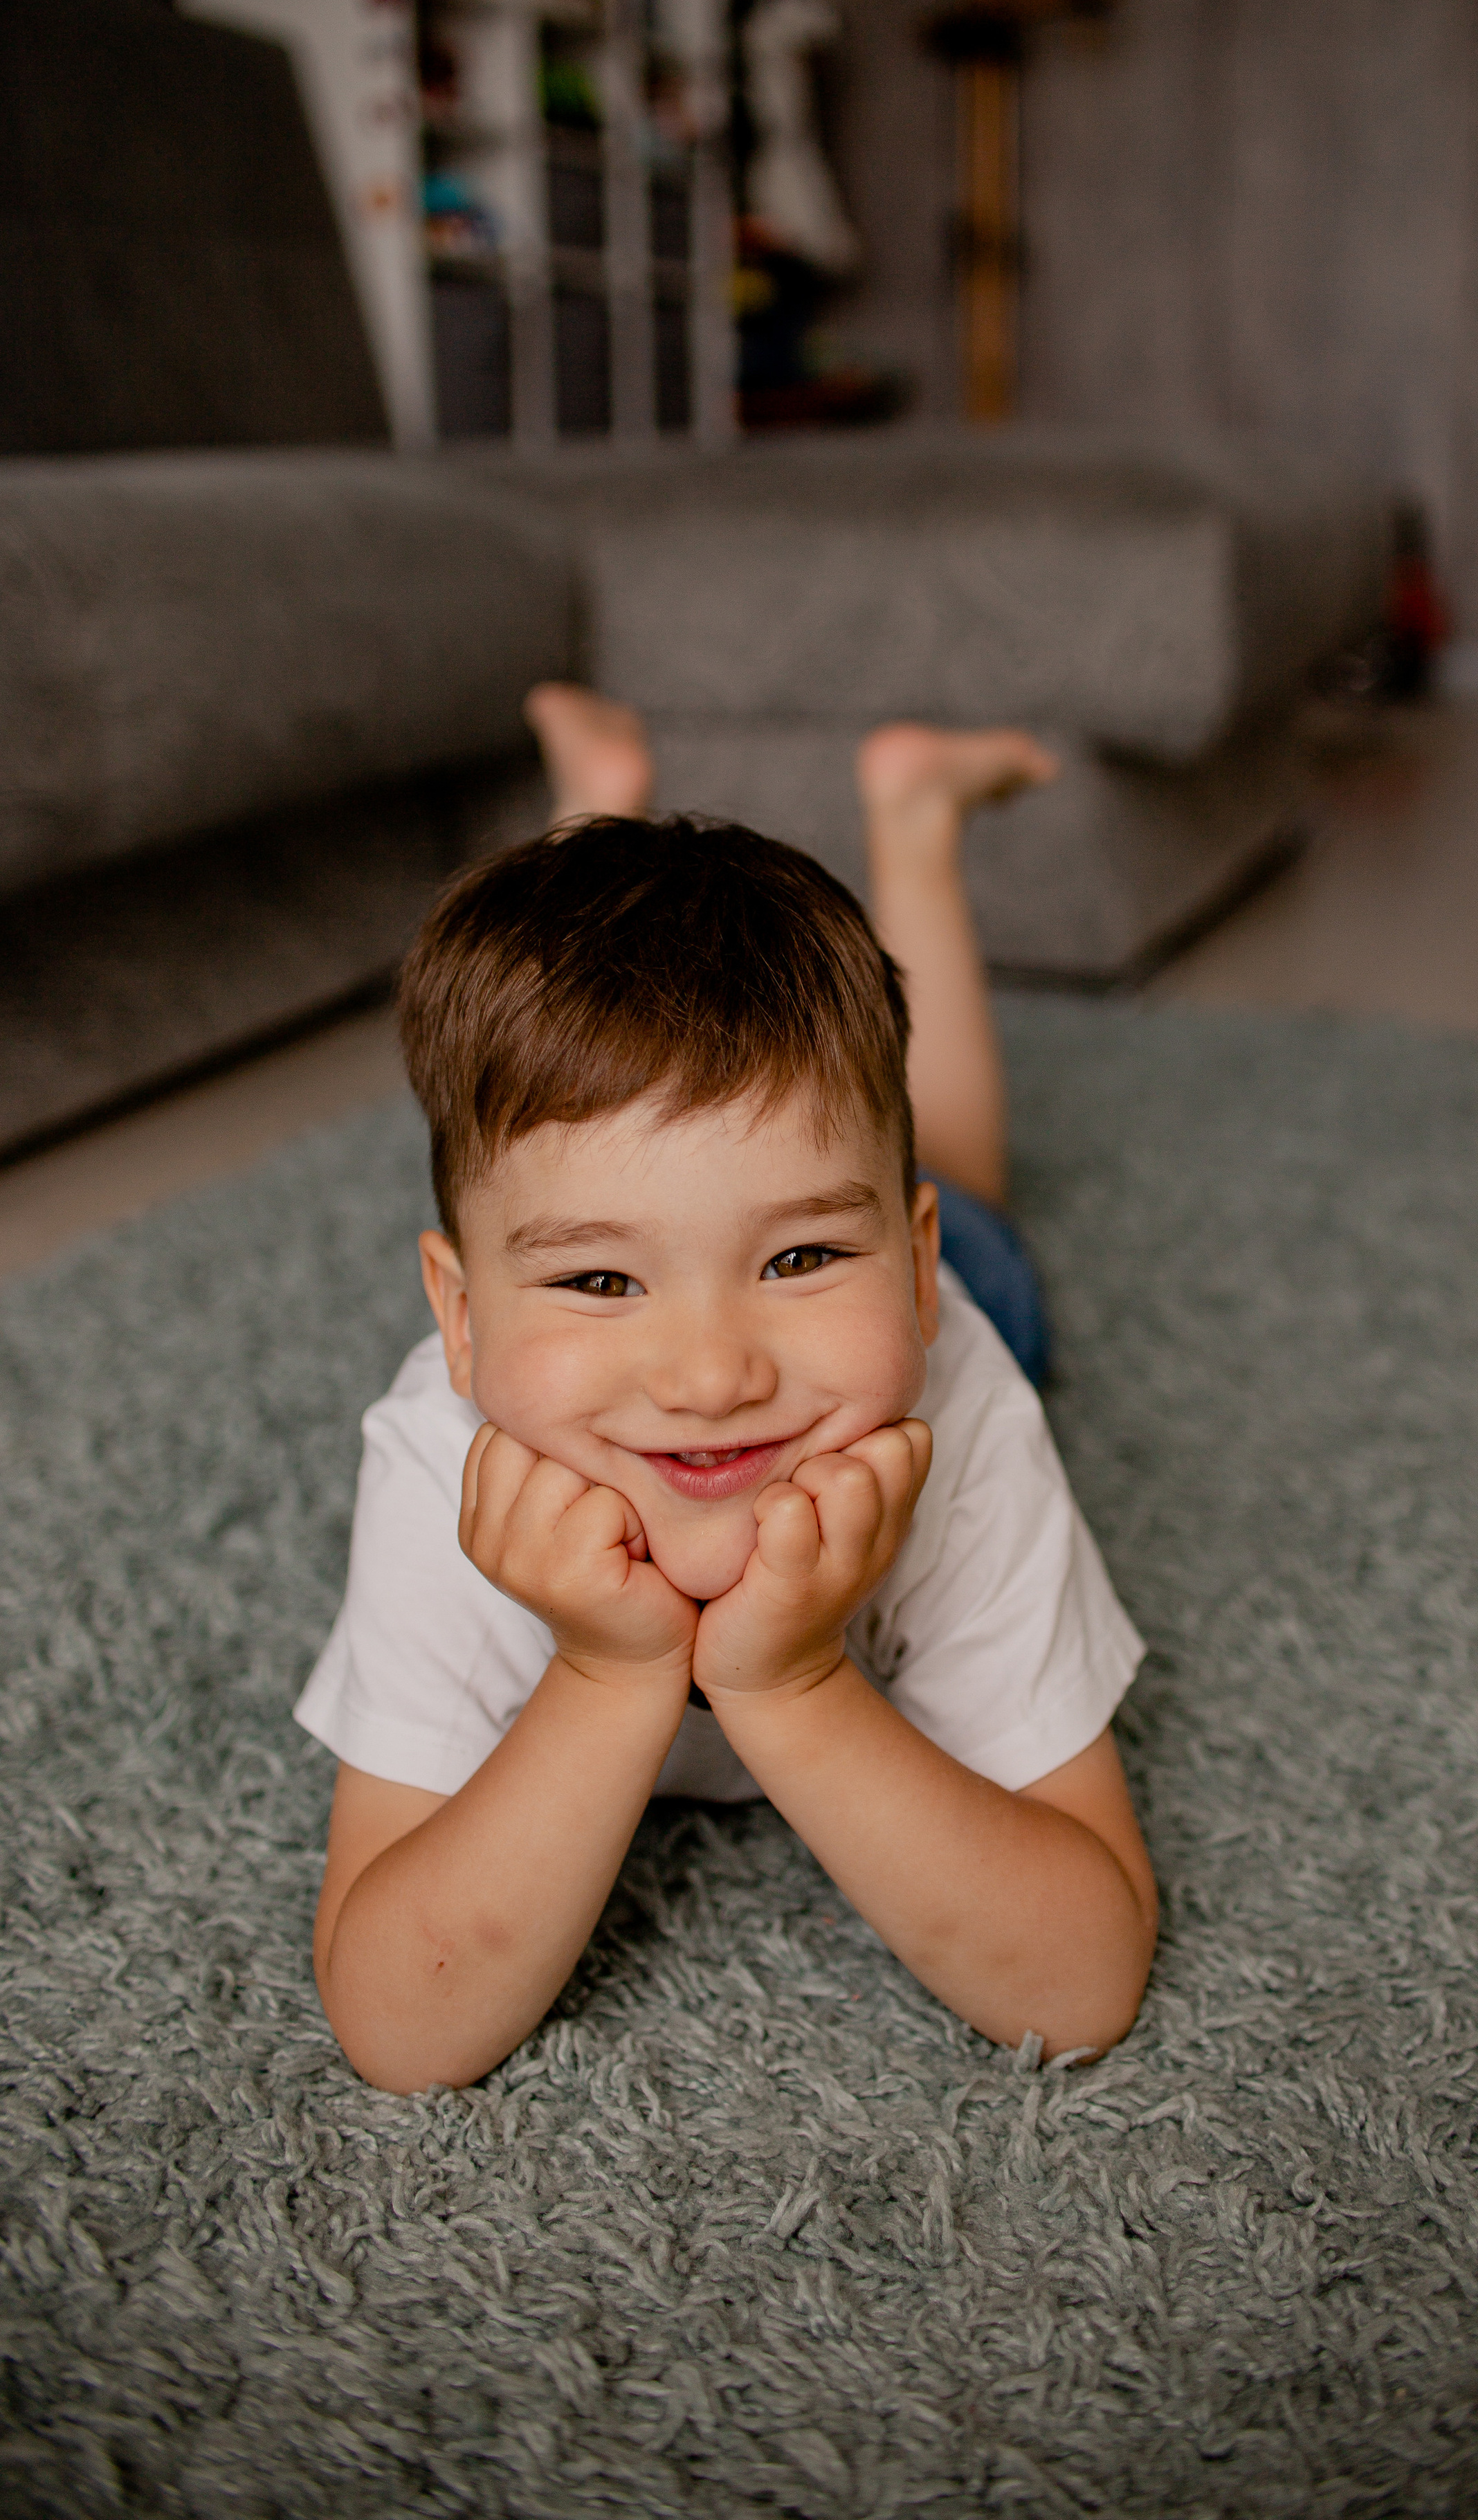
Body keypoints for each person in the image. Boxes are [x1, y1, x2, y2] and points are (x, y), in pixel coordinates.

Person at [295, 689, 1157, 2094]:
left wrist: (798, 1683)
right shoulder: (439, 1461)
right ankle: (602, 805)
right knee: (613, 1047)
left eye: (803, 1253)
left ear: (909, 1267)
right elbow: (399, 2025)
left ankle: (915, 826)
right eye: (596, 1284)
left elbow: (1080, 1980)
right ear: (458, 1323)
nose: (710, 1377)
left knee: (972, 1181)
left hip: (955, 1279)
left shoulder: (959, 1399)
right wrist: (605, 1669)